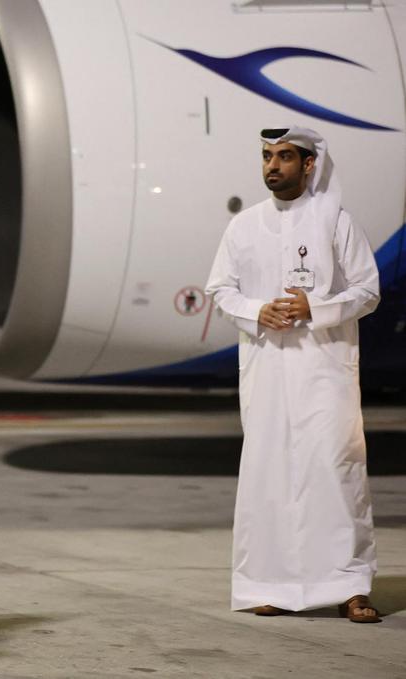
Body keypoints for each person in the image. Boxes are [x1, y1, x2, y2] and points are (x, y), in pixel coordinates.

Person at [206, 126, 382, 623]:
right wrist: (257, 310)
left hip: (324, 369)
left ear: (309, 164)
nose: (272, 166)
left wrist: (316, 307)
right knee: (269, 473)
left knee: (336, 469)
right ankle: (269, 585)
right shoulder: (244, 226)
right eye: (267, 156)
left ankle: (350, 587)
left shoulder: (336, 221)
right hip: (266, 371)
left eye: (284, 156)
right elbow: (220, 289)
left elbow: (367, 291)